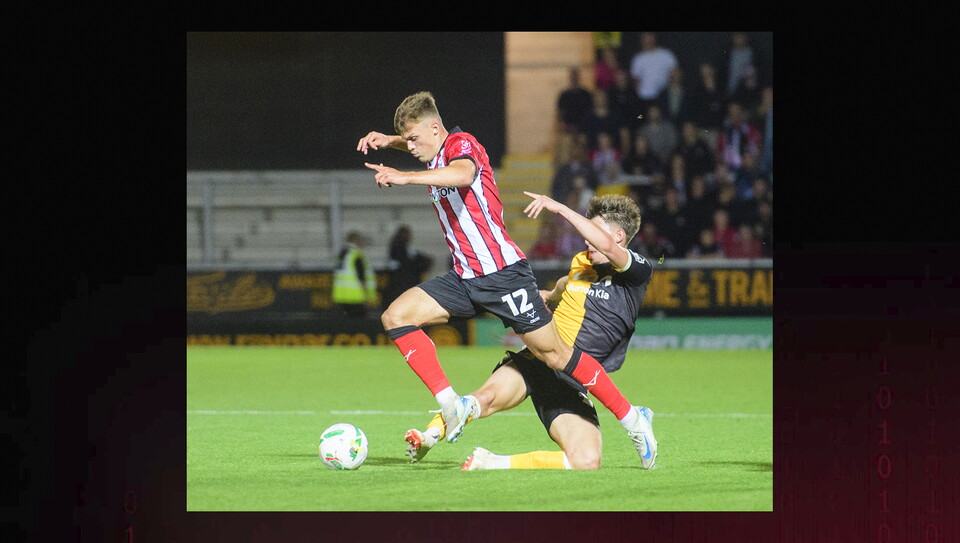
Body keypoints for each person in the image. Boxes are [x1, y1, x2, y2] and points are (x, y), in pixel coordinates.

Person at [357, 92, 654, 463]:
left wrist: (404, 178)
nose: (412, 146)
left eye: (415, 139)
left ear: (436, 129)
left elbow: (464, 173)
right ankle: (450, 404)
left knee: (557, 356)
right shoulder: (433, 149)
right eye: (409, 140)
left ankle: (633, 419)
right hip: (465, 277)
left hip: (502, 275)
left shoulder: (462, 145)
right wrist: (391, 141)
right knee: (396, 316)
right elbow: (424, 145)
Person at [403, 193, 658, 470]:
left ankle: (491, 462)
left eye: (593, 231)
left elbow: (606, 247)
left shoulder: (638, 271)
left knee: (586, 460)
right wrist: (549, 296)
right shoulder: (581, 265)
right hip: (539, 359)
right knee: (482, 400)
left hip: (573, 379)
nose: (587, 240)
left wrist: (561, 207)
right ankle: (429, 435)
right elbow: (564, 284)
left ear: (619, 236)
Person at [628, 32, 678, 120]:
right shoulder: (638, 58)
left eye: (650, 36)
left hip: (663, 97)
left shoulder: (666, 55)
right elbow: (635, 80)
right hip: (643, 98)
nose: (648, 39)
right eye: (645, 37)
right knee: (642, 120)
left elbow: (674, 74)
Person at [383, 225, 434, 309]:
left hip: (402, 283)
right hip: (403, 283)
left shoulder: (403, 248)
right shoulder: (399, 248)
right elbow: (407, 263)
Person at [331, 231, 378, 318]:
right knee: (360, 326)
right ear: (356, 241)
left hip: (341, 297)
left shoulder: (342, 255)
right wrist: (366, 295)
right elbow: (361, 277)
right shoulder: (356, 256)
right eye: (361, 240)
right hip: (356, 298)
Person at [556, 66, 594, 137]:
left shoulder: (586, 94)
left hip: (583, 130)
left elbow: (589, 112)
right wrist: (562, 125)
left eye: (575, 76)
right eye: (572, 76)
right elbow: (559, 112)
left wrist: (581, 126)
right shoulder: (563, 95)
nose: (574, 78)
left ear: (578, 77)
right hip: (567, 131)